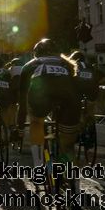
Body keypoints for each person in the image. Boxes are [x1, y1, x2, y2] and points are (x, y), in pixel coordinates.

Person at [18, 39, 80, 167]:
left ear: (36, 53)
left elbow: (23, 99)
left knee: (36, 122)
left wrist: (20, 126)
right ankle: (71, 175)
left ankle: (38, 165)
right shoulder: (67, 64)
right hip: (68, 98)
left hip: (40, 97)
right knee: (67, 142)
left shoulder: (30, 65)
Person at [68, 51, 99, 125]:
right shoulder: (90, 66)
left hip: (77, 92)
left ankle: (77, 123)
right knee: (90, 110)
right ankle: (91, 125)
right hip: (91, 92)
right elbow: (95, 78)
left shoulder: (72, 65)